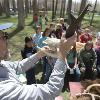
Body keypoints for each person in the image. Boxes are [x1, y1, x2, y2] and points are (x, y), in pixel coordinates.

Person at [0, 30, 76, 100]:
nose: (7, 41)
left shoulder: (2, 63)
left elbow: (19, 66)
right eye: (3, 37)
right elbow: (51, 90)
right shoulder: (4, 90)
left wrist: (40, 54)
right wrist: (62, 53)